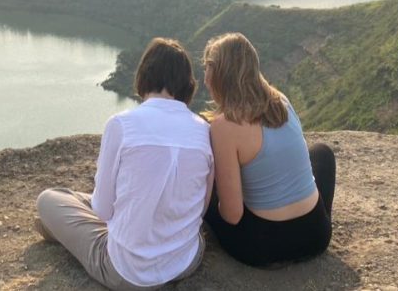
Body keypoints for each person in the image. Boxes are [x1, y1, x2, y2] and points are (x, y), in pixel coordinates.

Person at [35, 38, 213, 290]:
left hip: (128, 272)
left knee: (49, 199)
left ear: (144, 76)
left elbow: (103, 211)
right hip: (187, 261)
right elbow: (201, 208)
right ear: (188, 85)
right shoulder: (203, 130)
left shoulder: (122, 125)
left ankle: (55, 229)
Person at [201, 32, 336, 267]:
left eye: (207, 69)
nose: (204, 79)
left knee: (207, 185)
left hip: (265, 247)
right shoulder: (280, 101)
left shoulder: (224, 126)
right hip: (317, 235)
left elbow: (232, 216)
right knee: (322, 153)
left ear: (220, 75)